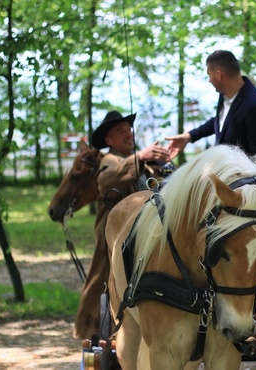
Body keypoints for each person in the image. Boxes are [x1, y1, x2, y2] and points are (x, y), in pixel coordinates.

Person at [73, 110, 170, 339]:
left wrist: (163, 163)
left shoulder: (141, 162)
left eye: (129, 130)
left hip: (144, 241)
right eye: (120, 131)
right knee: (105, 295)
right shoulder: (110, 160)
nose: (128, 134)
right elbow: (107, 180)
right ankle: (95, 345)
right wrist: (140, 157)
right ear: (109, 141)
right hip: (115, 243)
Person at [165, 50, 256, 158]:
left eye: (209, 75)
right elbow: (221, 121)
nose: (209, 80)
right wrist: (189, 136)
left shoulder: (255, 105)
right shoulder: (225, 94)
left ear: (218, 74)